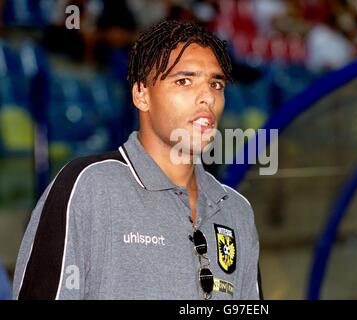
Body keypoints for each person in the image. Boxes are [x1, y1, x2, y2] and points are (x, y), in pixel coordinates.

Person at [12, 19, 262, 300]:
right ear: (141, 94)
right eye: (184, 81)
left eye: (216, 84)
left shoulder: (237, 211)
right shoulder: (86, 187)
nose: (207, 97)